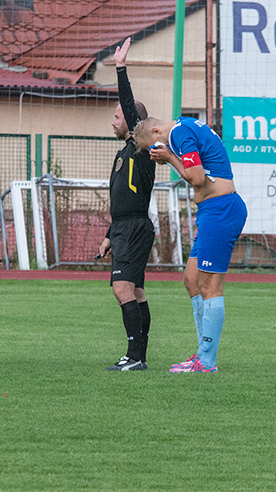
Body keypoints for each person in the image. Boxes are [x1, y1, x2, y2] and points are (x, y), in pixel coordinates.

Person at [134, 115, 248, 373]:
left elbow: (196, 178)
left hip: (221, 209)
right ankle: (202, 354)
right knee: (192, 280)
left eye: (153, 146)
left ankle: (207, 361)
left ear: (156, 131)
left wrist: (169, 158)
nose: (156, 152)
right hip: (214, 209)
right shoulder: (184, 125)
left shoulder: (178, 134)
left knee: (210, 286)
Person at [98, 38, 155, 371]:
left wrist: (121, 68)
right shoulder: (123, 154)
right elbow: (121, 201)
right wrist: (109, 233)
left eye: (118, 116)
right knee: (135, 292)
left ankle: (135, 358)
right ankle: (137, 356)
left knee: (122, 289)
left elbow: (131, 111)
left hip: (134, 228)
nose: (114, 120)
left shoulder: (140, 148)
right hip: (123, 227)